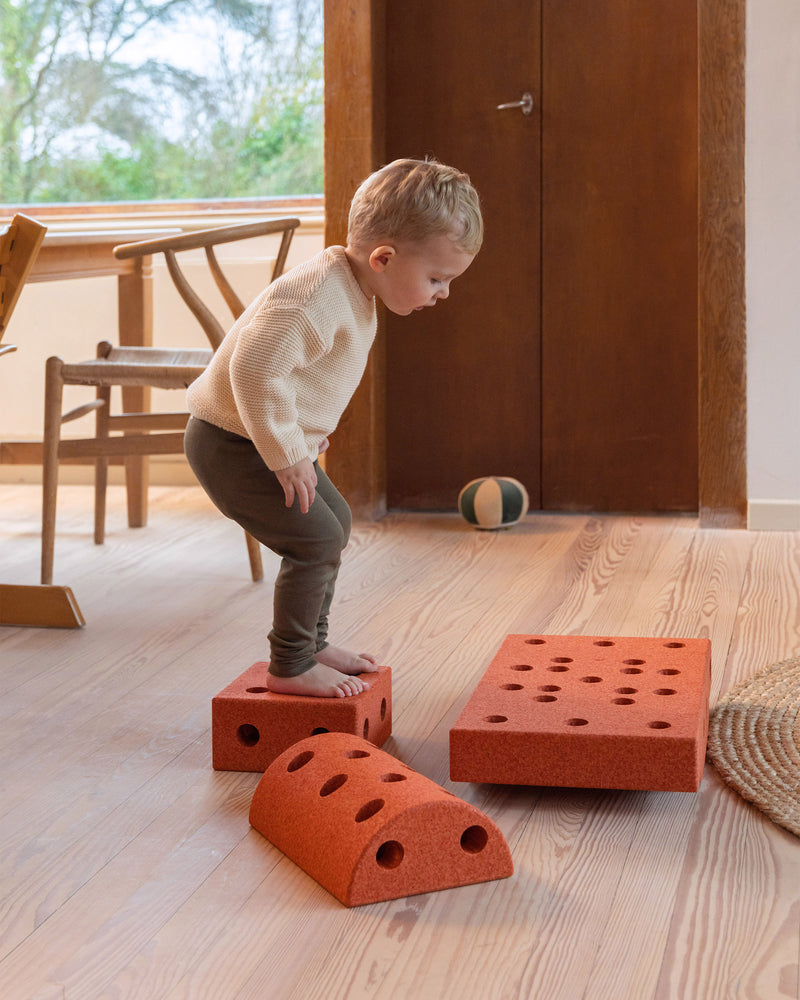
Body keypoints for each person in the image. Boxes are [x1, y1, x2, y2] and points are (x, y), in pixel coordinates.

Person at [184, 158, 483, 697]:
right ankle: (291, 664)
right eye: (436, 278)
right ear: (384, 257)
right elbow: (254, 369)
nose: (443, 293)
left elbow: (296, 373)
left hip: (261, 439)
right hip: (231, 443)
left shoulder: (356, 288)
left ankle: (313, 642)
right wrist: (286, 450)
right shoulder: (316, 295)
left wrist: (303, 431)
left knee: (335, 524)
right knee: (315, 540)